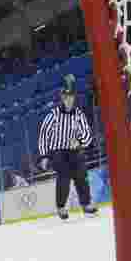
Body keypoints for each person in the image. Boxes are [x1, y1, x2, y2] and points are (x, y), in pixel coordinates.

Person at [37, 74, 99, 220]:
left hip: (74, 150)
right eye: (66, 98)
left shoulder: (79, 114)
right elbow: (44, 134)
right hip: (57, 151)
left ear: (74, 99)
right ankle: (61, 207)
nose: (69, 100)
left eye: (71, 98)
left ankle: (86, 204)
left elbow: (87, 135)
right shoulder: (53, 115)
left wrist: (79, 142)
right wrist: (44, 156)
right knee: (64, 176)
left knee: (81, 175)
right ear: (62, 99)